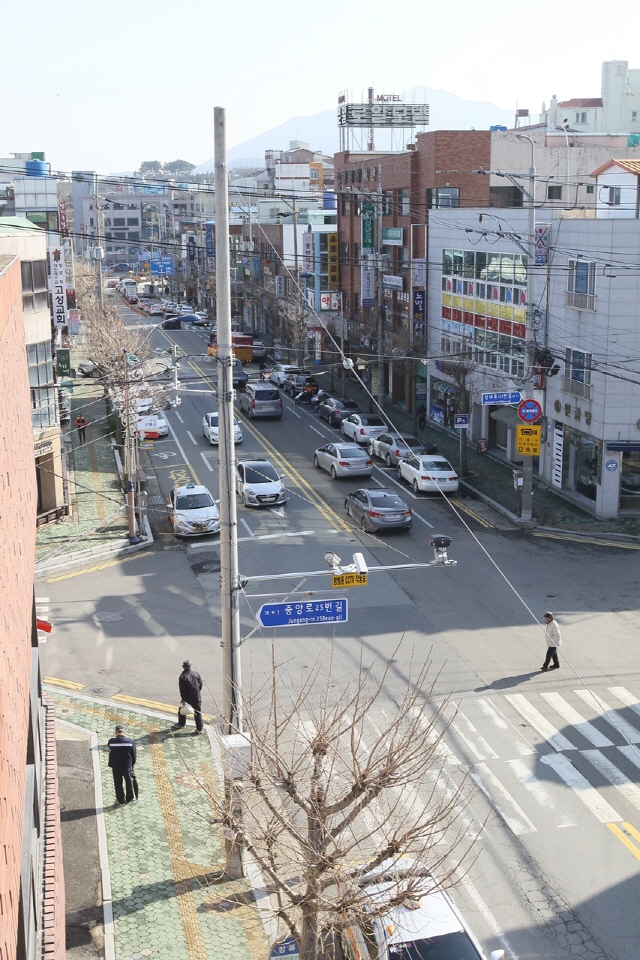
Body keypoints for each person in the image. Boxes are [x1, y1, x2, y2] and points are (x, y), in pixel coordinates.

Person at [107, 724, 137, 804]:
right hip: (127, 766)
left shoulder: (112, 741)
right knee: (129, 782)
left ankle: (120, 800)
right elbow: (133, 754)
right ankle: (129, 798)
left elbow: (110, 747)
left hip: (116, 766)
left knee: (118, 783)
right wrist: (133, 763)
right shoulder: (130, 742)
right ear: (124, 732)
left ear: (116, 733)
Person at [173, 660, 204, 734]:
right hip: (197, 697)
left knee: (181, 710)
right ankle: (200, 729)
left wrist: (183, 699)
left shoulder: (182, 676)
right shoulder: (196, 674)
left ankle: (181, 724)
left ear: (183, 667)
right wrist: (197, 692)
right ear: (190, 666)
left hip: (187, 698)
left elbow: (182, 690)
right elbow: (201, 684)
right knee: (197, 713)